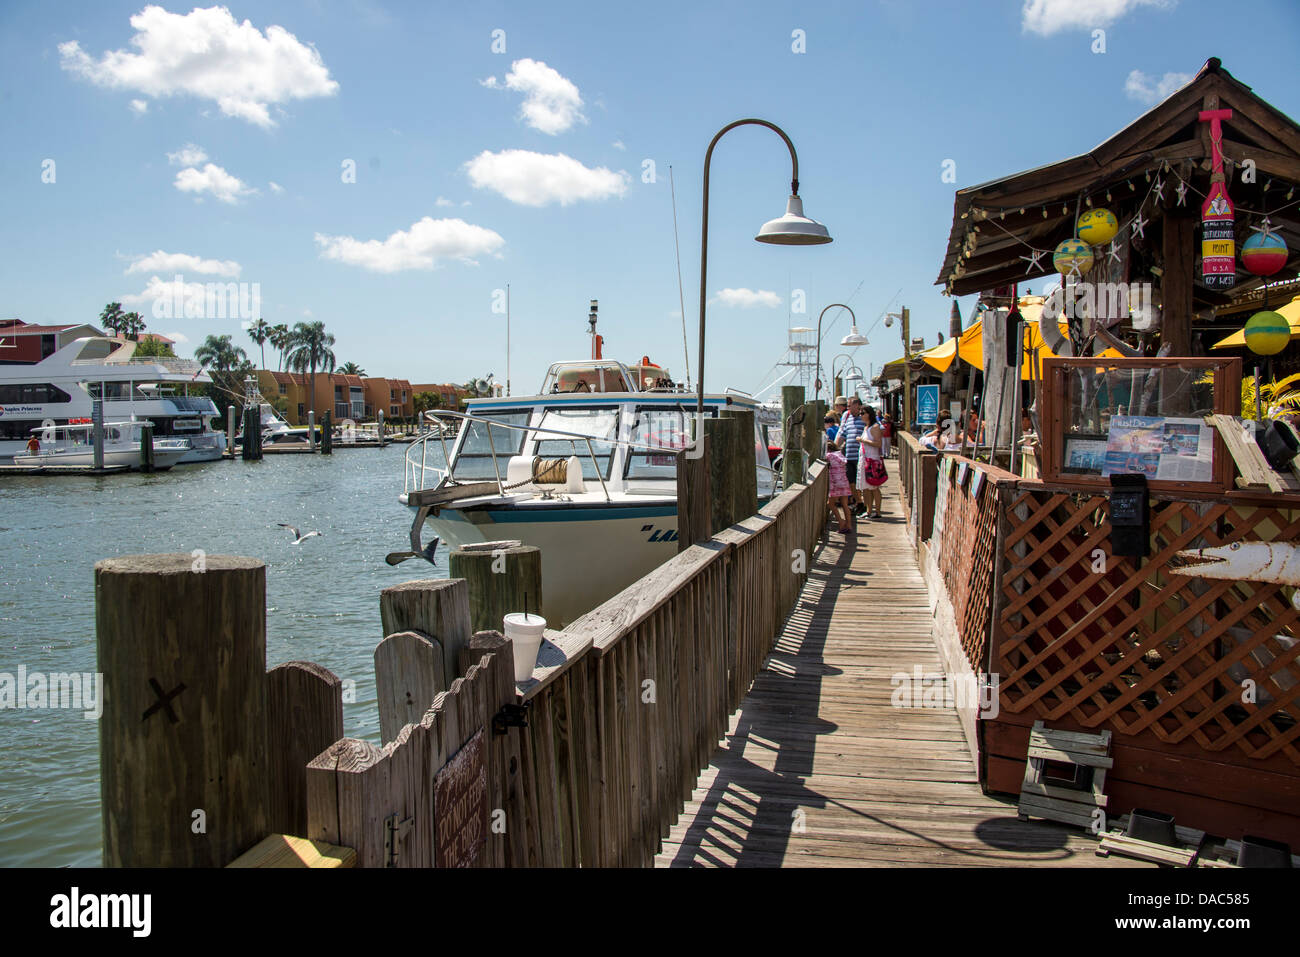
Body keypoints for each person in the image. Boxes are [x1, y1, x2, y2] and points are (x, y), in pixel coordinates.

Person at [837, 397, 867, 516]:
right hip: (849, 455)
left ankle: (865, 505)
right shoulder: (848, 418)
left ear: (858, 405)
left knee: (862, 482)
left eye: (850, 406)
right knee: (851, 482)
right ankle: (859, 502)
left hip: (861, 456)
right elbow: (842, 435)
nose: (848, 408)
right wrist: (834, 448)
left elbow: (877, 429)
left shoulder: (864, 417)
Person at [857, 406, 887, 518]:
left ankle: (878, 512)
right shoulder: (866, 427)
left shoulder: (874, 427)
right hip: (864, 460)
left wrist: (862, 440)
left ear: (869, 414)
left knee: (874, 487)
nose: (861, 415)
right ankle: (868, 511)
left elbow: (878, 444)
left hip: (872, 460)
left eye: (862, 413)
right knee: (865, 487)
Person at [825, 443, 853, 534]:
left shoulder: (829, 456)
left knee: (830, 504)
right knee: (845, 504)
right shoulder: (840, 455)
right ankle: (849, 525)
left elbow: (823, 457)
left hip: (835, 483)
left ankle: (841, 522)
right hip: (844, 481)